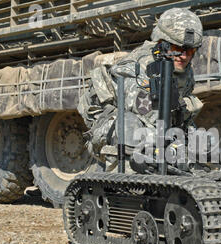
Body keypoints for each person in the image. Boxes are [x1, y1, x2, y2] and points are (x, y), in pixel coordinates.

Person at [77, 8, 204, 171]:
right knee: (136, 131)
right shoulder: (139, 67)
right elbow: (147, 116)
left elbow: (179, 117)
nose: (184, 56)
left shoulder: (185, 72)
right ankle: (124, 177)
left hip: (153, 126)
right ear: (161, 43)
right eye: (178, 49)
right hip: (114, 131)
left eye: (191, 50)